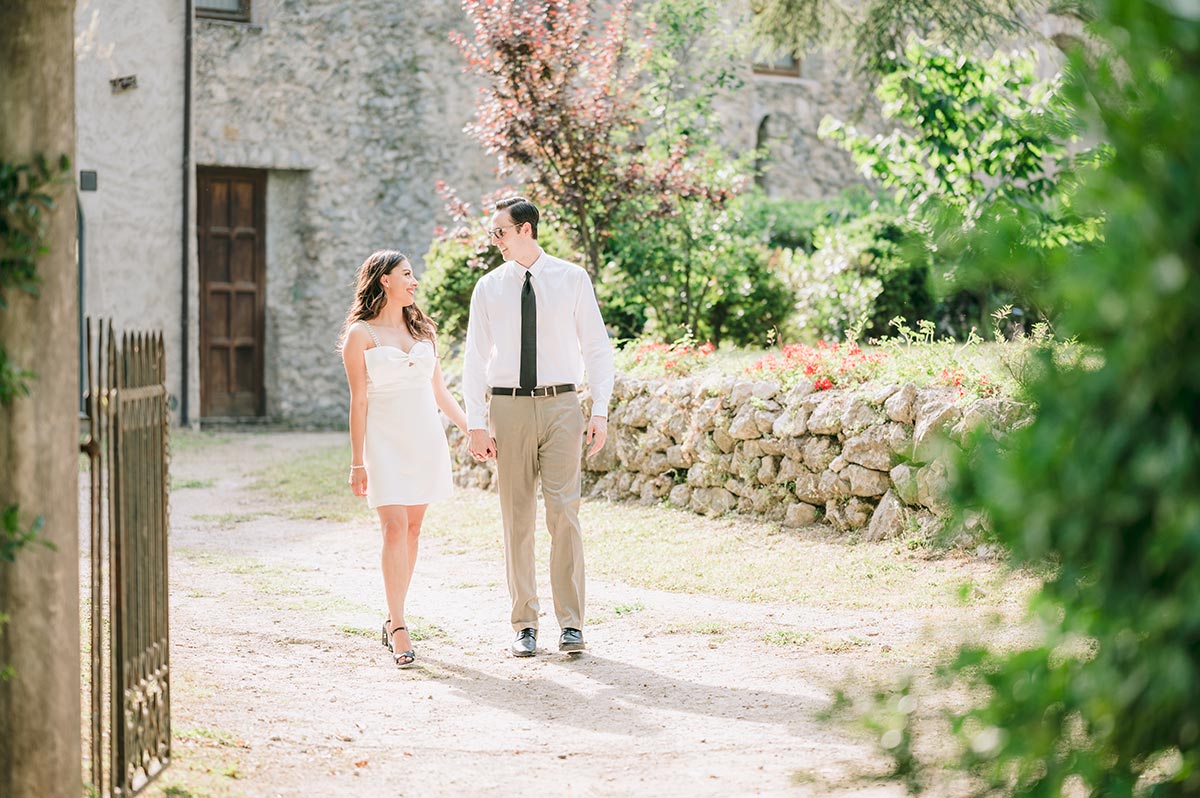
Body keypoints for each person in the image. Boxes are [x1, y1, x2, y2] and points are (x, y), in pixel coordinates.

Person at [463, 197, 615, 657]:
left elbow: (596, 345)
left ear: (526, 230)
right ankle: (524, 623)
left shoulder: (571, 278)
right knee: (517, 517)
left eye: (501, 233)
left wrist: (601, 409)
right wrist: (475, 423)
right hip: (507, 409)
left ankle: (571, 623)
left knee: (564, 513)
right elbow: (473, 356)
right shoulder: (488, 288)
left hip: (561, 405)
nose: (496, 242)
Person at [340, 250, 471, 668]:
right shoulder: (361, 335)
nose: (414, 282)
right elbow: (358, 401)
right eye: (407, 274)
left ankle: (395, 612)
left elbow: (440, 393)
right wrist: (357, 461)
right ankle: (398, 625)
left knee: (413, 530)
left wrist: (473, 429)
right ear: (384, 281)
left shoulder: (423, 331)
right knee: (394, 528)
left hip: (424, 438)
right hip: (383, 441)